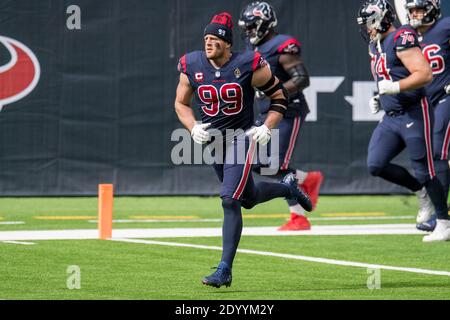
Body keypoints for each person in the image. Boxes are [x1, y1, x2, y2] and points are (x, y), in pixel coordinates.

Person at [174, 12, 312, 288]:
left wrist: (267, 126)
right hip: (214, 141)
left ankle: (224, 269)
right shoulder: (191, 64)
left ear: (226, 43)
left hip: (241, 136)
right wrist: (192, 127)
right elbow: (181, 103)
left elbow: (279, 97)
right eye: (206, 39)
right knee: (247, 198)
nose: (208, 43)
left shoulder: (248, 63)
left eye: (214, 39)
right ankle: (288, 187)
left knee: (229, 199)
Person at [357, 0, 450, 241]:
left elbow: (425, 74)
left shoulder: (402, 35)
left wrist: (396, 87)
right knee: (375, 164)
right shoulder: (375, 45)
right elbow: (388, 75)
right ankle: (420, 192)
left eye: (370, 23)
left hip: (414, 111)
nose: (367, 28)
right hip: (392, 116)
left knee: (425, 168)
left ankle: (443, 221)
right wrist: (380, 96)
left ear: (383, 19)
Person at [238, 1, 323, 231]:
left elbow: (301, 79)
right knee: (258, 164)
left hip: (288, 109)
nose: (249, 32)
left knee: (276, 163)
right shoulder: (252, 47)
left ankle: (299, 217)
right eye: (247, 27)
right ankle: (308, 179)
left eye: (253, 26)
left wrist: (276, 92)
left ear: (265, 24)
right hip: (266, 110)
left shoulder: (282, 45)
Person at [404, 0, 450, 232]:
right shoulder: (408, 36)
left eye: (419, 9)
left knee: (437, 151)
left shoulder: (445, 27)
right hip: (425, 102)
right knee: (428, 156)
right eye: (411, 10)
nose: (415, 14)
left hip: (446, 96)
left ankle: (442, 217)